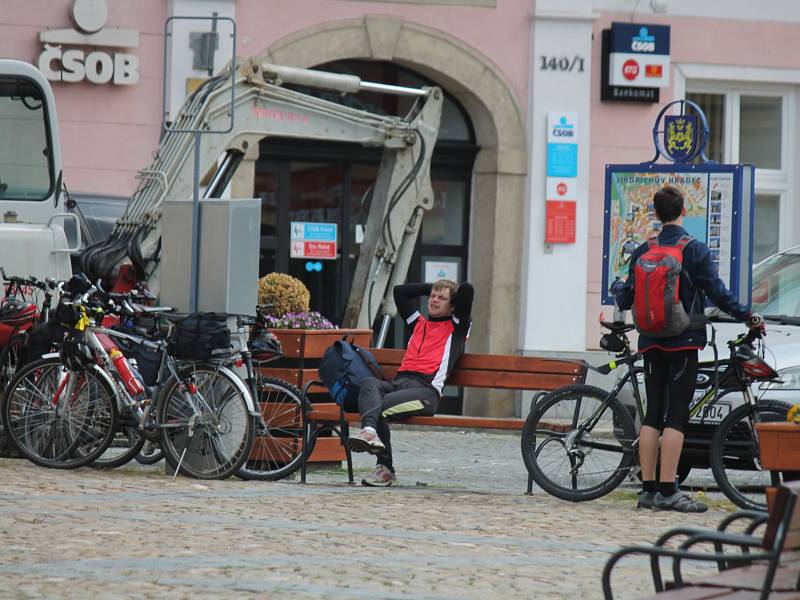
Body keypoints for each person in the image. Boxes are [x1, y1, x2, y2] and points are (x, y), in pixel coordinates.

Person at [612, 186, 763, 513]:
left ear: (656, 214)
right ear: (683, 212)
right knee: (677, 416)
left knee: (652, 414)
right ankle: (669, 490)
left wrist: (617, 289)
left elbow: (624, 297)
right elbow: (718, 293)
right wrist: (747, 316)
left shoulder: (643, 250)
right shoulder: (694, 249)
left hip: (650, 342)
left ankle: (647, 490)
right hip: (683, 342)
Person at [346, 279, 474, 487]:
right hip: (400, 382)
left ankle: (385, 468)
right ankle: (369, 431)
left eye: (441, 298)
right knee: (369, 383)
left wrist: (452, 292)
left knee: (380, 407)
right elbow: (399, 292)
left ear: (453, 305)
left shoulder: (457, 327)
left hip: (425, 392)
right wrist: (431, 288)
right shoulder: (419, 323)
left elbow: (468, 290)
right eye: (432, 296)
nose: (434, 300)